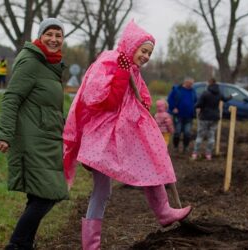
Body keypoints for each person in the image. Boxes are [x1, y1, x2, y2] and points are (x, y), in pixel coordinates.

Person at [63, 20, 192, 250]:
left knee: (152, 162)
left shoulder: (134, 69)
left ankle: (164, 211)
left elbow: (142, 101)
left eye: (149, 53)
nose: (146, 57)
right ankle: (90, 246)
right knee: (102, 190)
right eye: (144, 51)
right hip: (103, 139)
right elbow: (105, 101)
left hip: (125, 135)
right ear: (132, 46)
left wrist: (141, 97)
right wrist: (122, 73)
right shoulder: (110, 62)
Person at [0, 18, 68, 249]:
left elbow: (49, 106)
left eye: (59, 35)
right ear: (40, 35)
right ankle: (16, 244)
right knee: (49, 194)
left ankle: (25, 244)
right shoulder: (31, 61)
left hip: (47, 137)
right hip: (31, 139)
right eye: (49, 34)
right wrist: (4, 134)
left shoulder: (51, 64)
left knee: (38, 196)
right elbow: (11, 98)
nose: (54, 39)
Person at [191, 78, 232, 160]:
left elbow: (198, 104)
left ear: (209, 83)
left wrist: (196, 107)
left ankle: (195, 153)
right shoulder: (219, 93)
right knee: (211, 136)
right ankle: (208, 154)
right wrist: (231, 96)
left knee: (200, 136)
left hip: (204, 117)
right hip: (214, 117)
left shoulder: (205, 93)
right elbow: (225, 99)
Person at [167, 77, 197, 153]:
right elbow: (170, 99)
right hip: (178, 115)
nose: (191, 85)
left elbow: (196, 100)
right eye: (190, 84)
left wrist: (196, 108)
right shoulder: (177, 89)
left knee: (187, 133)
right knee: (177, 131)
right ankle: (176, 147)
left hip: (189, 116)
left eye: (192, 84)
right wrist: (173, 108)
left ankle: (185, 148)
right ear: (185, 82)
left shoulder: (192, 91)